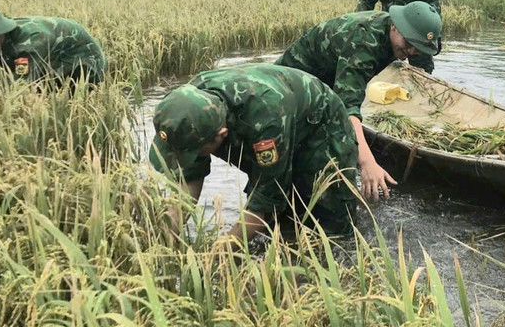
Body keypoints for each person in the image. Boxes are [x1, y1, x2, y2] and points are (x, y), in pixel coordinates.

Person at [149, 63, 359, 243]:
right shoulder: (186, 112)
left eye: (193, 152)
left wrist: (223, 250)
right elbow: (188, 179)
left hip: (321, 125)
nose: (188, 158)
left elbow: (268, 197)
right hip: (276, 120)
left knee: (329, 225)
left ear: (220, 136)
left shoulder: (266, 118)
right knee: (279, 226)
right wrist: (167, 232)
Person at [276, 1, 442, 201]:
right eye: (408, 44)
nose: (411, 52)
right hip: (290, 86)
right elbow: (348, 108)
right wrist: (366, 162)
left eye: (418, 48)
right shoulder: (364, 41)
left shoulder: (396, 37)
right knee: (308, 155)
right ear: (394, 26)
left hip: (325, 85)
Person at [0, 3, 106, 86]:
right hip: (50, 49)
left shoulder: (29, 44)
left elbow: (22, 87)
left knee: (50, 92)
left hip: (81, 59)